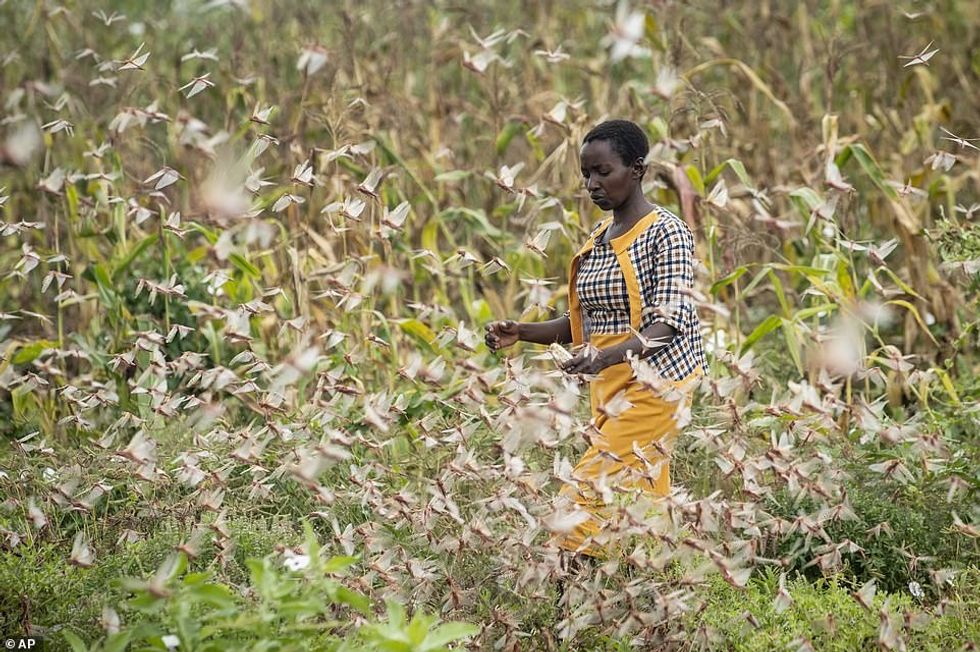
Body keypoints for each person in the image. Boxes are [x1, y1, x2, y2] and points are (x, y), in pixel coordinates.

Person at [485, 119, 705, 558]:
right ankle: (649, 580)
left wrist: (603, 358)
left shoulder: (667, 232)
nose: (592, 184)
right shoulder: (599, 239)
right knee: (638, 499)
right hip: (612, 387)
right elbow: (585, 322)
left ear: (637, 169)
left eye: (603, 172)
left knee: (582, 497)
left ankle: (567, 590)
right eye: (586, 174)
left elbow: (669, 322)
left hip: (659, 385)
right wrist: (522, 332)